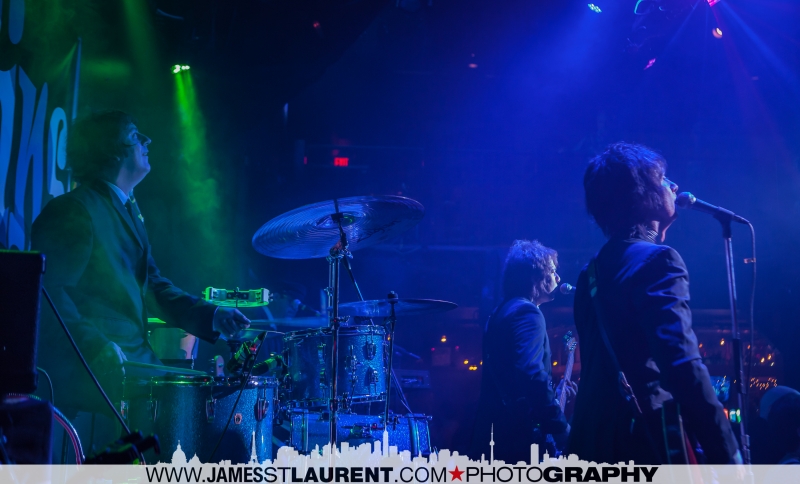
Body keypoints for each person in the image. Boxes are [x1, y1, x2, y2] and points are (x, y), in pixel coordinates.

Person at [31, 111, 249, 454]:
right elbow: (47, 294)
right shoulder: (74, 209)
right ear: (111, 150)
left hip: (130, 363)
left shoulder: (127, 209)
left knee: (204, 407)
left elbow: (153, 286)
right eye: (135, 135)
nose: (147, 141)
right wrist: (96, 346)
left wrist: (212, 314)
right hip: (94, 373)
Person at [567, 142, 741, 464]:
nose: (674, 186)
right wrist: (728, 454)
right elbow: (682, 366)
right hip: (640, 445)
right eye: (662, 179)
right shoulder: (659, 261)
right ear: (640, 196)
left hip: (589, 444)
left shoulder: (589, 272)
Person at [470, 240, 577, 463]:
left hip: (494, 433)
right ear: (535, 277)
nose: (558, 278)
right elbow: (531, 374)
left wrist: (553, 394)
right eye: (552, 271)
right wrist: (559, 426)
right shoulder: (528, 314)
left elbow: (511, 376)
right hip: (516, 440)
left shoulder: (501, 311)